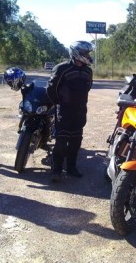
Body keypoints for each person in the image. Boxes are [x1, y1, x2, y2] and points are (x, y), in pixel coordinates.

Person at [46, 41, 93, 182]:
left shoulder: (88, 71)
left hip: (80, 110)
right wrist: (59, 103)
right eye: (85, 53)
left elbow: (88, 87)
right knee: (61, 142)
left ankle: (72, 167)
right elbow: (51, 89)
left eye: (88, 53)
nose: (88, 56)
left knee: (76, 141)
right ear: (76, 53)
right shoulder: (62, 68)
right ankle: (57, 170)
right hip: (64, 110)